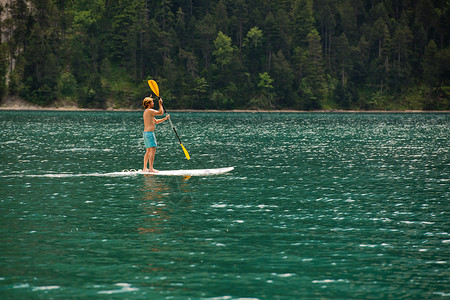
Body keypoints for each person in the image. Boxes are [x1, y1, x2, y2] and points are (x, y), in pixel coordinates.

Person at [142, 96, 170, 173]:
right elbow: (161, 112)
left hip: (146, 134)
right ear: (148, 103)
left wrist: (165, 119)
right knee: (153, 150)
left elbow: (156, 121)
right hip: (150, 134)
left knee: (148, 151)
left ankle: (145, 168)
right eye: (152, 102)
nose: (153, 103)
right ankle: (151, 168)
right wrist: (160, 104)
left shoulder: (146, 112)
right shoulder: (150, 110)